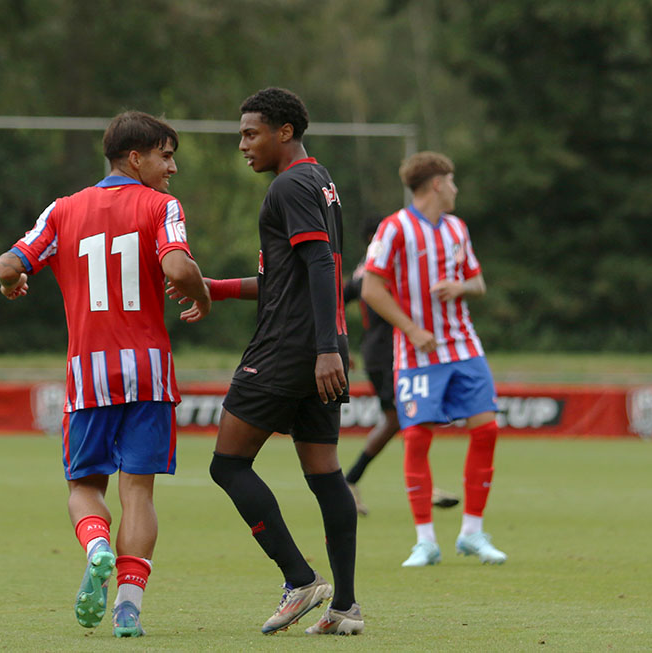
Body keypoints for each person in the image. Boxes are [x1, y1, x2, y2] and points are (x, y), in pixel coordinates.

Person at [0, 111, 212, 638]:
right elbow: (179, 269)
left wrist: (10, 284)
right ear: (135, 157)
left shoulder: (64, 209)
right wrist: (202, 296)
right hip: (149, 372)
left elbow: (8, 263)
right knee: (138, 492)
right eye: (165, 155)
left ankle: (95, 546)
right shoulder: (162, 206)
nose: (173, 168)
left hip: (88, 374)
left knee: (84, 485)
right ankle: (128, 608)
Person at [184, 87, 363, 635]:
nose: (243, 145)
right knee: (325, 474)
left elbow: (319, 264)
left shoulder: (288, 186)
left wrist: (324, 348)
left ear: (284, 132)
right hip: (318, 349)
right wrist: (214, 287)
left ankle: (300, 579)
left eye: (250, 133)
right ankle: (346, 609)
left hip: (291, 349)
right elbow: (282, 278)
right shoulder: (319, 179)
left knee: (228, 464)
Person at [361, 151, 507, 567]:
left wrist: (460, 289)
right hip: (418, 354)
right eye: (453, 181)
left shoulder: (457, 228)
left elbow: (478, 282)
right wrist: (410, 329)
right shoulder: (395, 228)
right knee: (418, 438)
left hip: (464, 347)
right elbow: (371, 288)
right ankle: (425, 540)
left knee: (487, 430)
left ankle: (472, 533)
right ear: (438, 183)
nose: (457, 189)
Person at [342, 218, 460, 516]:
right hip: (384, 355)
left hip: (396, 353)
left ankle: (352, 481)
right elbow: (335, 300)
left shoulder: (379, 270)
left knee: (399, 419)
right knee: (408, 417)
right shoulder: (372, 272)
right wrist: (336, 342)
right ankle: (420, 487)